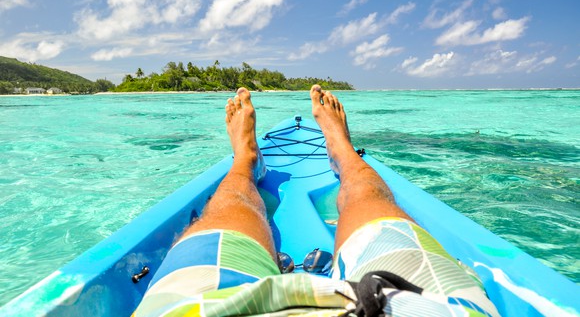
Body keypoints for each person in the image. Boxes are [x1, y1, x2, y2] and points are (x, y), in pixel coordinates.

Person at [134, 86, 499, 317]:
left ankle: (245, 160)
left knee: (232, 204)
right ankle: (342, 152)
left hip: (205, 308)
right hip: (415, 305)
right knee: (366, 195)